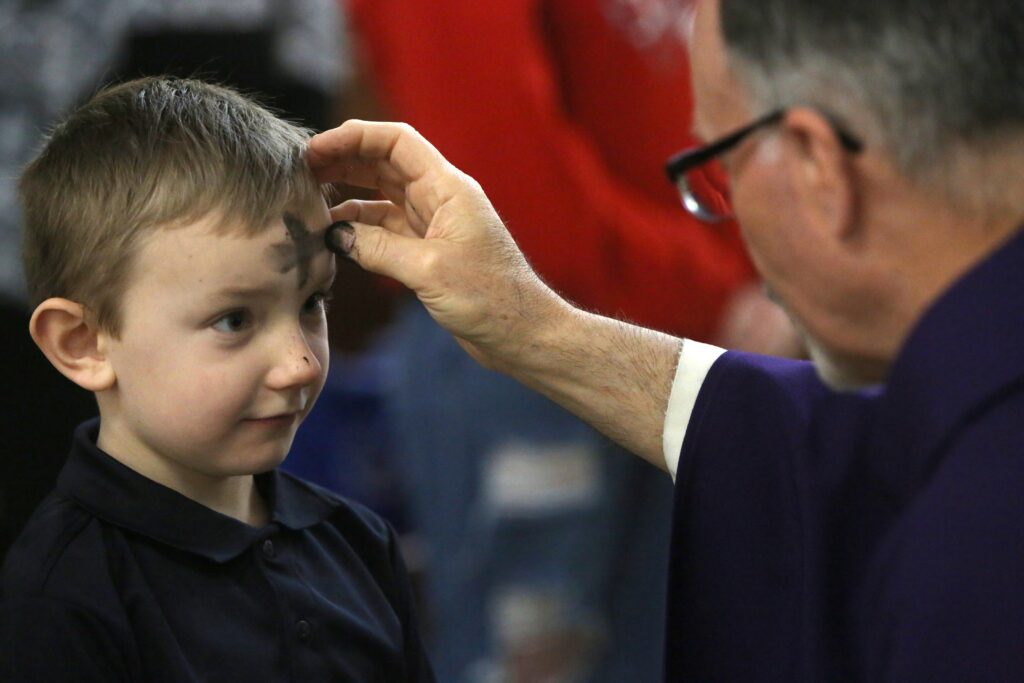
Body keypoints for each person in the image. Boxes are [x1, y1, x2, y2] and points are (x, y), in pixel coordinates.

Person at [309, 0, 1024, 679]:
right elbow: (844, 442)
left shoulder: (966, 545)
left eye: (719, 171)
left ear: (817, 167)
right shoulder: (970, 405)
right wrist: (538, 327)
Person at [0, 77, 434, 682]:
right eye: (234, 320)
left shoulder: (359, 545)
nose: (301, 364)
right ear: (84, 344)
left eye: (312, 302)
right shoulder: (62, 597)